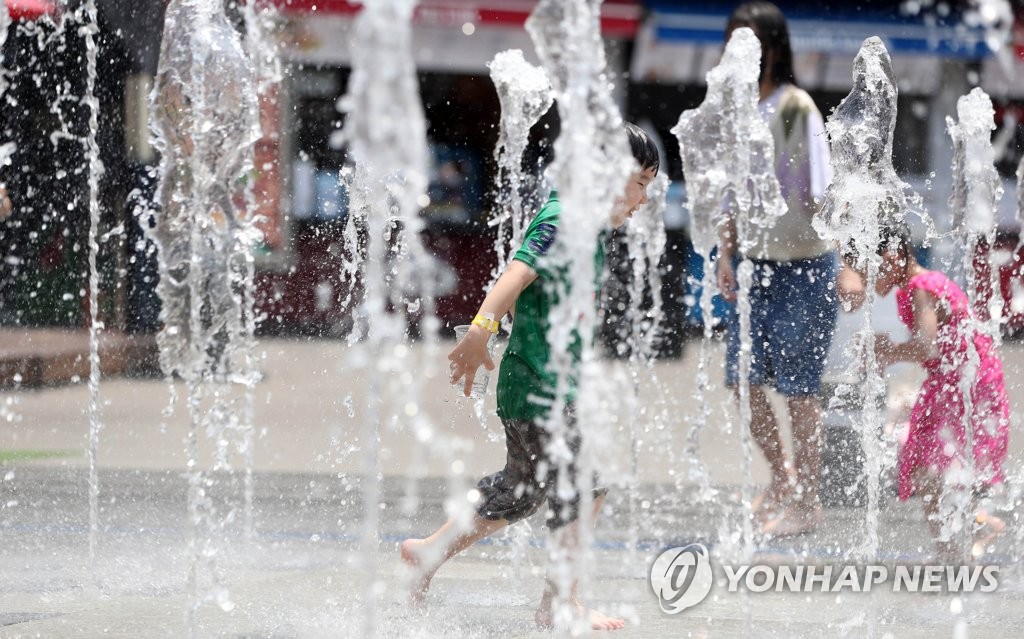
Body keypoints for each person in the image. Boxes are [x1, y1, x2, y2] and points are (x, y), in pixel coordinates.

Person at [401, 122, 659, 632]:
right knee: (587, 486)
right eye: (641, 183)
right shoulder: (565, 218)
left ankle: (429, 552)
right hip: (539, 383)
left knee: (522, 490)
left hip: (538, 383)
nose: (644, 199)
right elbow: (516, 274)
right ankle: (560, 605)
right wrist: (480, 332)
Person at [716, 1, 854, 536]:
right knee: (741, 383)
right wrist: (726, 257)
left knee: (799, 391)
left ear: (773, 47)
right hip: (752, 268)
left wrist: (846, 263)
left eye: (746, 41)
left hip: (804, 267)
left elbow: (827, 195)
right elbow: (730, 196)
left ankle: (806, 502)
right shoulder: (733, 111)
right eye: (731, 41)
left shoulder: (797, 108)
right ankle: (782, 478)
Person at [847, 222, 1009, 560]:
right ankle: (958, 543)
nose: (863, 278)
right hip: (952, 383)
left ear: (891, 257)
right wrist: (889, 350)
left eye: (866, 268)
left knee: (934, 471)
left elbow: (926, 347)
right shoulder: (912, 287)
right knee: (930, 470)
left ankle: (955, 549)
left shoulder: (922, 286)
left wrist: (887, 351)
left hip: (969, 386)